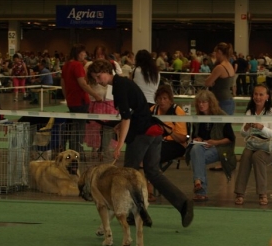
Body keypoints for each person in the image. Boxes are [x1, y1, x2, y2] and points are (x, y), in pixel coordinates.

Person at [89, 59, 194, 228]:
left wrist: (119, 145)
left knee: (129, 175)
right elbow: (133, 113)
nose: (97, 80)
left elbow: (127, 117)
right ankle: (183, 204)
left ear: (108, 72)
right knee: (153, 172)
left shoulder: (120, 86)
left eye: (98, 76)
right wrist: (120, 126)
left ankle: (137, 214)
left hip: (142, 134)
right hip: (152, 130)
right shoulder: (123, 84)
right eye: (95, 77)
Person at [234, 84, 272, 206]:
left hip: (271, 146)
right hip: (254, 144)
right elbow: (243, 133)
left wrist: (262, 128)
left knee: (258, 157)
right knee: (246, 155)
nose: (258, 97)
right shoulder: (250, 111)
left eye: (261, 94)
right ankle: (240, 193)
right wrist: (246, 128)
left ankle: (262, 193)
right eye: (255, 94)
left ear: (267, 96)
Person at [187, 90, 236, 202]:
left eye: (204, 102)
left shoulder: (222, 116)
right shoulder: (198, 118)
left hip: (220, 147)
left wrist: (215, 142)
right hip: (202, 147)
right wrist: (197, 139)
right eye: (199, 102)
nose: (201, 105)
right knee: (196, 149)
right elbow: (195, 135)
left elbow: (230, 139)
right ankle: (199, 185)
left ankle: (200, 187)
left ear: (210, 103)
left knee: (197, 156)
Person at [148, 85, 188, 202]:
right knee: (146, 154)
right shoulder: (153, 110)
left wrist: (169, 131)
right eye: (159, 98)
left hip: (176, 145)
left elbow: (182, 138)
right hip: (156, 142)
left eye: (165, 98)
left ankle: (150, 189)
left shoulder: (177, 111)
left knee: (151, 157)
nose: (162, 101)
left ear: (170, 99)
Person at [61, 43, 101, 152]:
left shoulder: (66, 65)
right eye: (83, 52)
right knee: (79, 129)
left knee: (73, 127)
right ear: (78, 54)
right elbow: (83, 84)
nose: (85, 54)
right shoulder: (77, 65)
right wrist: (96, 95)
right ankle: (77, 151)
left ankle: (72, 150)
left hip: (71, 101)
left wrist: (67, 97)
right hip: (81, 101)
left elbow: (63, 83)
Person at [204, 42, 236, 115]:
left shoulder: (220, 67)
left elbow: (207, 83)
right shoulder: (230, 65)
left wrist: (212, 81)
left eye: (215, 52)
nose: (215, 55)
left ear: (219, 52)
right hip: (229, 99)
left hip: (221, 101)